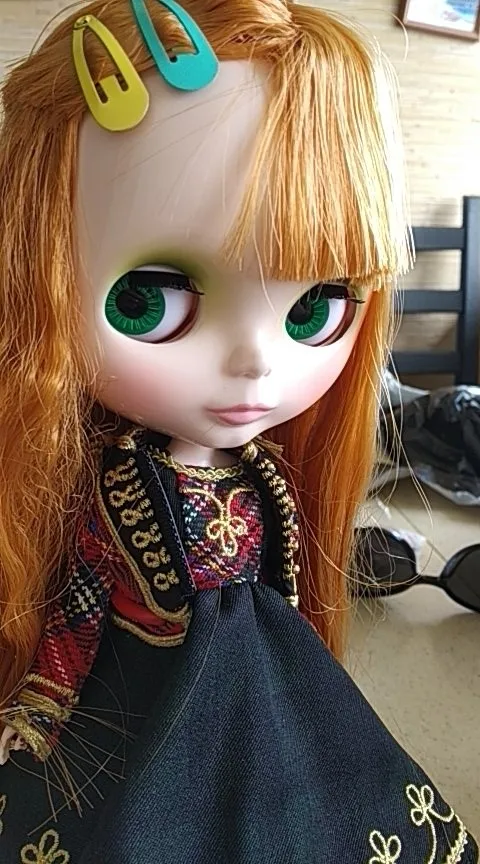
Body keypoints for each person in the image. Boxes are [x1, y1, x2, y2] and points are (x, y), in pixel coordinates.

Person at [0, 1, 477, 861]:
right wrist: (43, 699)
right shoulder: (121, 483)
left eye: (318, 305)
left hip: (266, 671)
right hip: (143, 685)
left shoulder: (262, 474)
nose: (257, 363)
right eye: (148, 299)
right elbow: (82, 597)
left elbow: (286, 576)